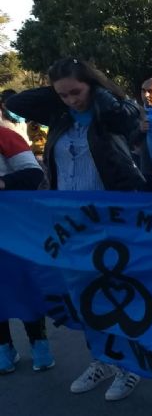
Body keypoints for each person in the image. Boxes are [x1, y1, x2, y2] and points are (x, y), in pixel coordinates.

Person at [5, 58, 145, 401]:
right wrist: (57, 88)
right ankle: (100, 359)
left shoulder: (109, 115)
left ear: (92, 86)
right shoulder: (60, 117)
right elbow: (14, 103)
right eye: (63, 95)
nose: (71, 100)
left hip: (108, 221)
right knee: (83, 298)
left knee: (112, 294)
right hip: (68, 225)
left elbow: (129, 119)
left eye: (76, 92)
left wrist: (98, 94)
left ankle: (127, 366)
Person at [0, 124, 52, 374]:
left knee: (23, 286)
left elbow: (33, 174)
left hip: (14, 229)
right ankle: (3, 349)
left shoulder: (5, 136)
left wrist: (1, 183)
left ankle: (39, 345)